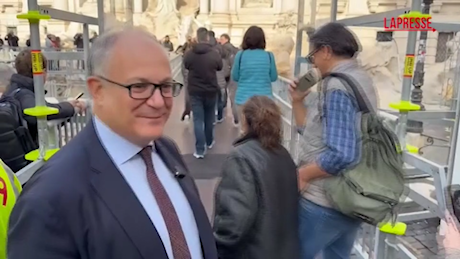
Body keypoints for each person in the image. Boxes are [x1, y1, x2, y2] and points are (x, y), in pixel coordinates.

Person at [8, 27, 217, 259]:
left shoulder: (166, 151)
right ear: (98, 91)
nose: (158, 101)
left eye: (166, 86)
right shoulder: (50, 196)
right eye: (139, 87)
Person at [290, 22, 377, 259]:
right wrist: (298, 101)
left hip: (325, 201)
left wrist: (303, 174)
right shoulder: (360, 78)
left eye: (313, 55)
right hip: (352, 197)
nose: (313, 62)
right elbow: (314, 135)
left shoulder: (336, 87)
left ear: (326, 51)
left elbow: (343, 153)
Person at [213, 96, 300, 259]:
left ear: (246, 121)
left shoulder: (241, 158)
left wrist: (216, 250)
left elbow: (234, 223)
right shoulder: (284, 154)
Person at [3, 50, 83, 145]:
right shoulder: (24, 94)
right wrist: (70, 107)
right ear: (42, 71)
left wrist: (66, 105)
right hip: (27, 152)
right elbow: (39, 111)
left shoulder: (12, 89)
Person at [184, 27, 222, 159]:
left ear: (197, 37)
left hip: (195, 90)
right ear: (207, 38)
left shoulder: (190, 53)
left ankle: (200, 150)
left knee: (198, 120)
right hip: (211, 89)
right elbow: (220, 66)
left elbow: (186, 65)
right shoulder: (214, 53)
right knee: (209, 117)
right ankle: (209, 141)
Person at [232, 26, 277, 124]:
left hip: (243, 99)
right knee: (264, 131)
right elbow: (273, 77)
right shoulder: (269, 56)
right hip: (265, 100)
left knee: (245, 131)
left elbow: (235, 76)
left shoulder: (240, 55)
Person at [220, 33, 239, 126]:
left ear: (226, 39)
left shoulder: (222, 49)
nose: (220, 40)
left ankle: (222, 106)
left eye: (222, 39)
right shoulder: (235, 50)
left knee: (223, 91)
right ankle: (236, 117)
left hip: (224, 73)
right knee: (232, 95)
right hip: (233, 74)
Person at [208, 30, 227, 124]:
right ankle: (219, 116)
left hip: (211, 80)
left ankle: (212, 117)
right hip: (221, 81)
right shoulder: (222, 58)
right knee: (220, 99)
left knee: (212, 100)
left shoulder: (209, 56)